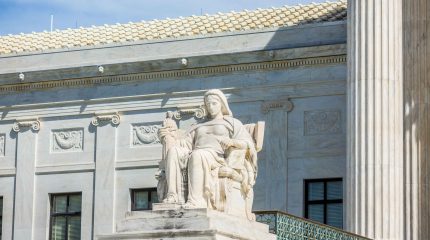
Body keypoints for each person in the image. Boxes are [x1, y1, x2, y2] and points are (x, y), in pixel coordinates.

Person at [158, 89, 258, 214]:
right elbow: (185, 144)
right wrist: (167, 137)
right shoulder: (198, 125)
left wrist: (232, 142)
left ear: (222, 104)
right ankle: (173, 196)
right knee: (174, 151)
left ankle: (196, 200)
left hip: (218, 158)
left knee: (197, 155)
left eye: (214, 103)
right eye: (208, 104)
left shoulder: (232, 123)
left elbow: (248, 144)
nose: (211, 107)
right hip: (196, 153)